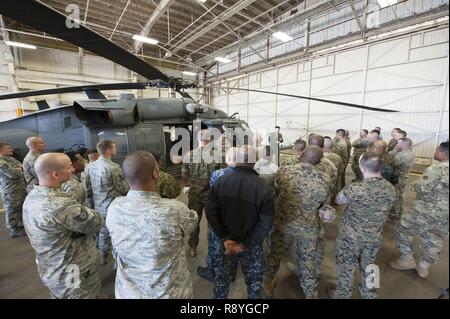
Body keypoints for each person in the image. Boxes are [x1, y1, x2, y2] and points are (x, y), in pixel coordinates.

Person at [106, 151, 197, 298]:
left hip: (129, 293)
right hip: (169, 292)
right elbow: (192, 223)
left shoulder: (114, 207)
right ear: (155, 173)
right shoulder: (174, 209)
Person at [23, 153, 103, 299]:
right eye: (69, 167)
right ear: (56, 174)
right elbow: (95, 222)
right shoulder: (61, 205)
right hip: (73, 270)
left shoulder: (32, 196)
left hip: (51, 266)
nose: (72, 169)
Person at [206, 145, 275, 299]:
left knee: (222, 280)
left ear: (236, 160)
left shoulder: (220, 181)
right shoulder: (264, 187)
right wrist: (244, 244)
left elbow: (210, 212)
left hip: (226, 245)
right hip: (251, 246)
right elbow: (266, 223)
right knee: (254, 283)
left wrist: (225, 238)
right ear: (255, 161)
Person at [263, 146, 331, 299]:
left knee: (274, 254)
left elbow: (274, 192)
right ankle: (310, 294)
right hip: (309, 228)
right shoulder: (325, 179)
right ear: (319, 162)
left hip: (283, 224)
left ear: (301, 155)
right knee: (307, 261)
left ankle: (267, 284)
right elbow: (324, 206)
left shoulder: (284, 172)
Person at [327, 152, 396, 299]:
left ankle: (342, 293)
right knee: (370, 264)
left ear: (362, 167)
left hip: (350, 237)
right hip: (374, 236)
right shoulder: (390, 188)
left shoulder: (355, 188)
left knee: (346, 264)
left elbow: (338, 200)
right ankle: (369, 292)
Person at [389, 142, 448, 279]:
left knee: (402, 227)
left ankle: (406, 258)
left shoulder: (437, 169)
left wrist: (414, 184)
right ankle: (423, 267)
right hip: (445, 214)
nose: (435, 151)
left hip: (426, 210)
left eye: (437, 149)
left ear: (444, 152)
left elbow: (422, 187)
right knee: (434, 238)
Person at [197, 147, 238, 282]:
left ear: (227, 159)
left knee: (215, 243)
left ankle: (211, 270)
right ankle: (231, 272)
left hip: (220, 217)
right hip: (237, 219)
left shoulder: (218, 174)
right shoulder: (247, 176)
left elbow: (213, 191)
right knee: (234, 243)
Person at [85, 139, 129, 264]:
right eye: (114, 148)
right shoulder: (113, 167)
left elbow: (87, 188)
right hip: (113, 206)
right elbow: (122, 187)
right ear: (109, 150)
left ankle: (103, 255)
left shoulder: (90, 167)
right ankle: (117, 261)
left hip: (99, 206)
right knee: (116, 233)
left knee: (103, 232)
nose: (116, 150)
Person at [182, 130, 221, 257]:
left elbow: (184, 176)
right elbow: (221, 176)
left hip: (195, 194)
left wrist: (189, 185)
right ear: (209, 139)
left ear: (198, 139)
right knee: (212, 223)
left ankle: (193, 247)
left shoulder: (189, 155)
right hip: (212, 195)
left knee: (194, 221)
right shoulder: (217, 155)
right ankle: (213, 248)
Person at [0, 142, 27, 237]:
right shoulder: (1, 162)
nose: (11, 149)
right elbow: (13, 174)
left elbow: (23, 167)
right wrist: (20, 169)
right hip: (10, 190)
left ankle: (20, 225)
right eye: (8, 148)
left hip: (20, 188)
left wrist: (19, 168)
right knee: (12, 209)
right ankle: (13, 229)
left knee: (20, 207)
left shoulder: (11, 159)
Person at [388, 138, 415, 221]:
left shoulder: (405, 155)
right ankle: (397, 213)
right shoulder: (403, 153)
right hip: (399, 176)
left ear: (403, 145)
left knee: (397, 195)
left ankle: (396, 214)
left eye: (398, 143)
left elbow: (391, 162)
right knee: (398, 195)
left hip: (400, 178)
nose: (397, 145)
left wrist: (392, 154)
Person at [309, 134, 337, 203]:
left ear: (308, 144)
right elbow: (331, 186)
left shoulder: (292, 161)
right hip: (319, 203)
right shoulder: (330, 165)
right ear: (323, 146)